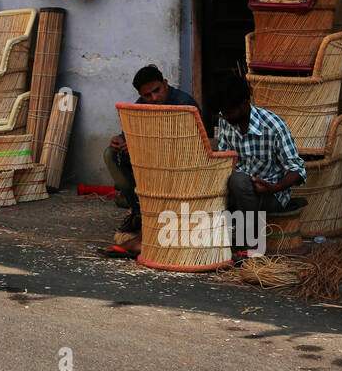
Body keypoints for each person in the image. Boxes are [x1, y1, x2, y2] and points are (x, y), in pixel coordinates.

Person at [213, 75, 306, 252]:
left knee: (238, 181)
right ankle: (235, 241)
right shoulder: (225, 119)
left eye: (229, 112)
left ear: (245, 103)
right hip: (238, 192)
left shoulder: (273, 125)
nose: (225, 116)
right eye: (223, 112)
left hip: (271, 195)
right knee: (236, 181)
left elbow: (297, 169)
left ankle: (251, 243)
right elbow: (224, 160)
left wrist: (274, 187)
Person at [106, 65, 200, 234]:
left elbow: (189, 147)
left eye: (157, 90)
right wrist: (120, 141)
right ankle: (138, 212)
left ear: (165, 83)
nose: (154, 97)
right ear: (141, 95)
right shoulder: (140, 106)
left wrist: (139, 147)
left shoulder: (184, 104)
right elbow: (128, 135)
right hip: (150, 161)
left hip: (180, 165)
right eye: (147, 95)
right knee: (111, 154)